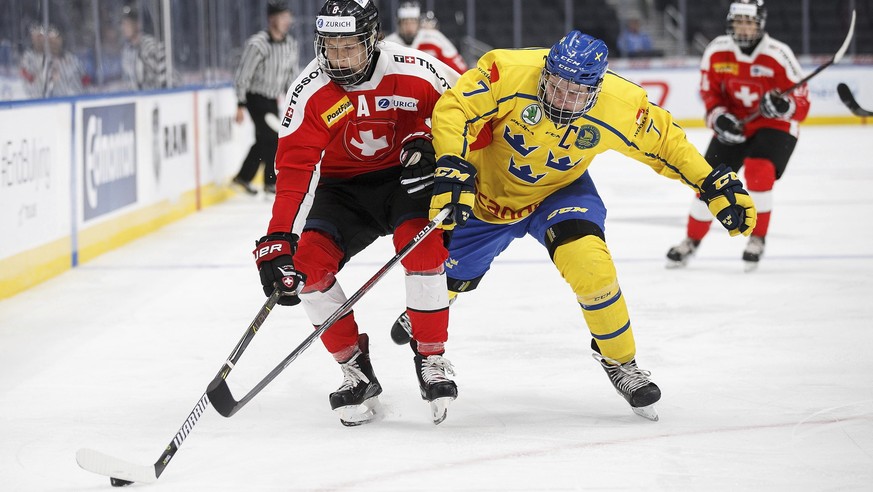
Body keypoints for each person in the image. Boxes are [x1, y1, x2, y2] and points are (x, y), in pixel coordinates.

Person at [394, 30, 757, 421]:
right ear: (545, 73)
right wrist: (451, 161)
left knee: (591, 265)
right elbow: (454, 109)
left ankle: (620, 361)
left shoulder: (620, 104)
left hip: (560, 193)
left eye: (575, 92)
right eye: (556, 85)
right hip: (487, 198)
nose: (562, 99)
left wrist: (709, 181)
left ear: (596, 90)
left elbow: (666, 144)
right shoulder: (507, 71)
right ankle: (428, 318)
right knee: (446, 279)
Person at [251, 0, 461, 426]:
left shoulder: (416, 68)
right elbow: (295, 169)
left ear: (373, 40)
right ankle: (355, 370)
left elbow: (467, 114)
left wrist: (436, 147)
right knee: (306, 268)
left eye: (349, 46)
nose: (339, 58)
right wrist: (279, 237)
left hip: (405, 180)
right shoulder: (310, 89)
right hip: (342, 192)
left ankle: (432, 357)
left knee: (423, 251)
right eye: (330, 46)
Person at [665, 0, 809, 272]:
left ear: (760, 24)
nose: (743, 28)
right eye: (738, 22)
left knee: (759, 171)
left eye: (749, 22)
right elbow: (710, 93)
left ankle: (757, 237)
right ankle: (691, 240)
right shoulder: (717, 51)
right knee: (708, 181)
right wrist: (719, 116)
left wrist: (784, 105)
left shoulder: (778, 54)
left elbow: (801, 102)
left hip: (774, 125)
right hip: (737, 123)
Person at [231, 0, 300, 196]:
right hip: (255, 98)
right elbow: (244, 74)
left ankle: (243, 177)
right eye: (283, 17)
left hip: (271, 99)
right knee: (273, 137)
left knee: (263, 139)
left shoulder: (290, 45)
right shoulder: (258, 44)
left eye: (288, 16)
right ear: (272, 19)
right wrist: (240, 104)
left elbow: (290, 77)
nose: (288, 21)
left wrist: (294, 100)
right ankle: (271, 181)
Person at [383, 1, 468, 74]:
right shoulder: (388, 44)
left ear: (419, 23)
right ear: (398, 24)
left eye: (413, 23)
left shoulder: (433, 38)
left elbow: (459, 68)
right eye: (405, 23)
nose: (409, 28)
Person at [120, 6, 167, 90]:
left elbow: (164, 78)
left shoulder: (151, 46)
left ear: (138, 24)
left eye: (128, 23)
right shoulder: (126, 49)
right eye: (123, 23)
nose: (124, 27)